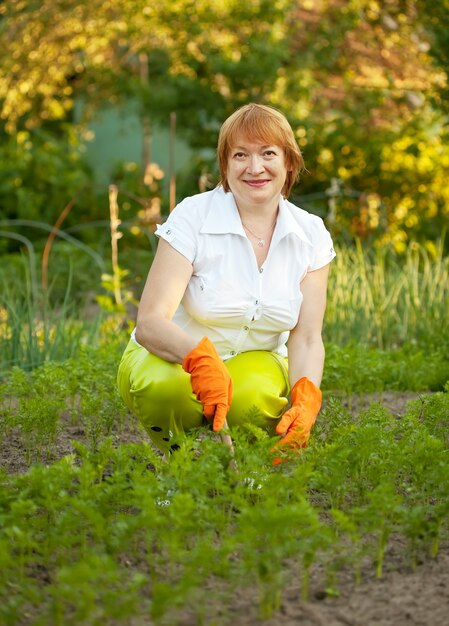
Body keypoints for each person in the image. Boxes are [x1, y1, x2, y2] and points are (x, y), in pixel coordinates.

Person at [117, 103, 336, 463]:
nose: (255, 167)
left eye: (268, 153)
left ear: (289, 163)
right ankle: (180, 467)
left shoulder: (310, 233)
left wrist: (307, 395)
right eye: (240, 155)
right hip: (173, 357)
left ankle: (248, 473)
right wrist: (200, 359)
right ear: (225, 164)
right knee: (165, 388)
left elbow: (308, 336)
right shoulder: (193, 215)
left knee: (255, 396)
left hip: (254, 361)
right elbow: (150, 322)